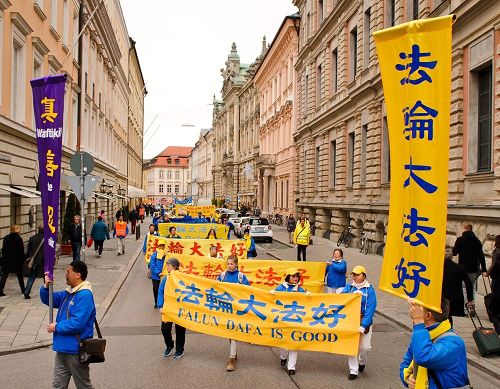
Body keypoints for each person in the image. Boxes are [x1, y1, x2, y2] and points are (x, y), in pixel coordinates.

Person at [40, 261, 96, 389]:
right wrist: (45, 287)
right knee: (58, 386)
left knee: (83, 386)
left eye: (68, 272)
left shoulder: (85, 295)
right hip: (62, 349)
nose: (65, 275)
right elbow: (50, 299)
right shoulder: (69, 293)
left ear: (78, 275)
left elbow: (78, 323)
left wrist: (57, 326)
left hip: (76, 350)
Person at [400, 298, 470, 389]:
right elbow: (405, 363)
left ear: (428, 315)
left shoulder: (454, 344)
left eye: (419, 309)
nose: (413, 311)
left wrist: (418, 322)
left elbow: (424, 357)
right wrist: (408, 379)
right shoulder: (423, 336)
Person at [341, 265, 377, 380]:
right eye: (354, 275)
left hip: (363, 321)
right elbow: (339, 299)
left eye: (358, 274)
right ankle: (353, 370)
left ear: (364, 275)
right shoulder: (349, 287)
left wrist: (364, 325)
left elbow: (370, 309)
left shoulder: (370, 290)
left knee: (365, 347)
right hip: (351, 320)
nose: (355, 277)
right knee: (351, 346)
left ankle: (362, 362)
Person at [216, 255, 250, 371]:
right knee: (230, 333)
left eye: (231, 264)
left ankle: (231, 358)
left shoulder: (241, 277)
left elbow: (248, 291)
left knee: (233, 332)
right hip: (226, 309)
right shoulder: (222, 275)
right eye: (228, 264)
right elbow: (215, 287)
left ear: (236, 264)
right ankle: (234, 353)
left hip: (237, 310)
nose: (229, 266)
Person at [272, 268, 306, 375]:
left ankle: (292, 367)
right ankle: (283, 357)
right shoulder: (281, 288)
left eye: (297, 276)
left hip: (296, 319)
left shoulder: (300, 289)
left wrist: (309, 295)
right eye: (293, 276)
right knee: (282, 343)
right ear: (288, 277)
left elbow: (307, 302)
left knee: (294, 343)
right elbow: (273, 300)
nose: (296, 278)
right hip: (283, 319)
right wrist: (272, 294)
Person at [157, 257, 186, 359]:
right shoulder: (166, 278)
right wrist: (160, 305)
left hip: (179, 308)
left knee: (180, 329)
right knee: (165, 329)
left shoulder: (182, 278)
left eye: (169, 265)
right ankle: (169, 345)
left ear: (175, 267)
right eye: (167, 265)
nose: (167, 267)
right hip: (168, 308)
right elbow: (160, 292)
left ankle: (179, 349)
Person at [452, 223, 488, 300]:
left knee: (464, 288)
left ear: (464, 229)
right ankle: (472, 306)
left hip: (462, 268)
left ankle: (466, 308)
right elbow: (481, 256)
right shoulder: (477, 241)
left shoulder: (460, 240)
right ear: (471, 230)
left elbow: (454, 253)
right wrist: (484, 269)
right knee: (471, 287)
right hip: (473, 269)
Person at [442, 249, 474, 328]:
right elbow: (469, 284)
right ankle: (449, 331)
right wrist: (470, 299)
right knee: (448, 316)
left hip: (441, 296)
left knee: (441, 316)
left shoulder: (438, 267)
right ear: (452, 257)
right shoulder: (459, 268)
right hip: (455, 297)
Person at [0, 225, 26, 297]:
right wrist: (23, 260)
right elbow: (21, 251)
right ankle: (23, 290)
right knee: (20, 276)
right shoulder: (18, 238)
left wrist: (3, 259)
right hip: (16, 261)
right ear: (17, 230)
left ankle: (0, 290)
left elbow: (3, 249)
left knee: (4, 275)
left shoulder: (6, 238)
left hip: (7, 260)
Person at [24, 225, 45, 299]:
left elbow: (29, 250)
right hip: (43, 261)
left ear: (38, 230)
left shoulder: (32, 238)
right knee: (46, 278)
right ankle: (47, 292)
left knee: (31, 277)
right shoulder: (48, 239)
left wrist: (26, 259)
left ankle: (26, 292)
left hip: (34, 262)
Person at [148, 242, 167, 309]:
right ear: (158, 246)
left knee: (163, 290)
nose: (162, 247)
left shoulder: (166, 255)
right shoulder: (154, 255)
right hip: (156, 276)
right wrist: (158, 273)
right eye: (161, 245)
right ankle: (156, 302)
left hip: (164, 276)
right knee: (156, 289)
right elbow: (152, 265)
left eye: (163, 246)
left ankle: (162, 303)